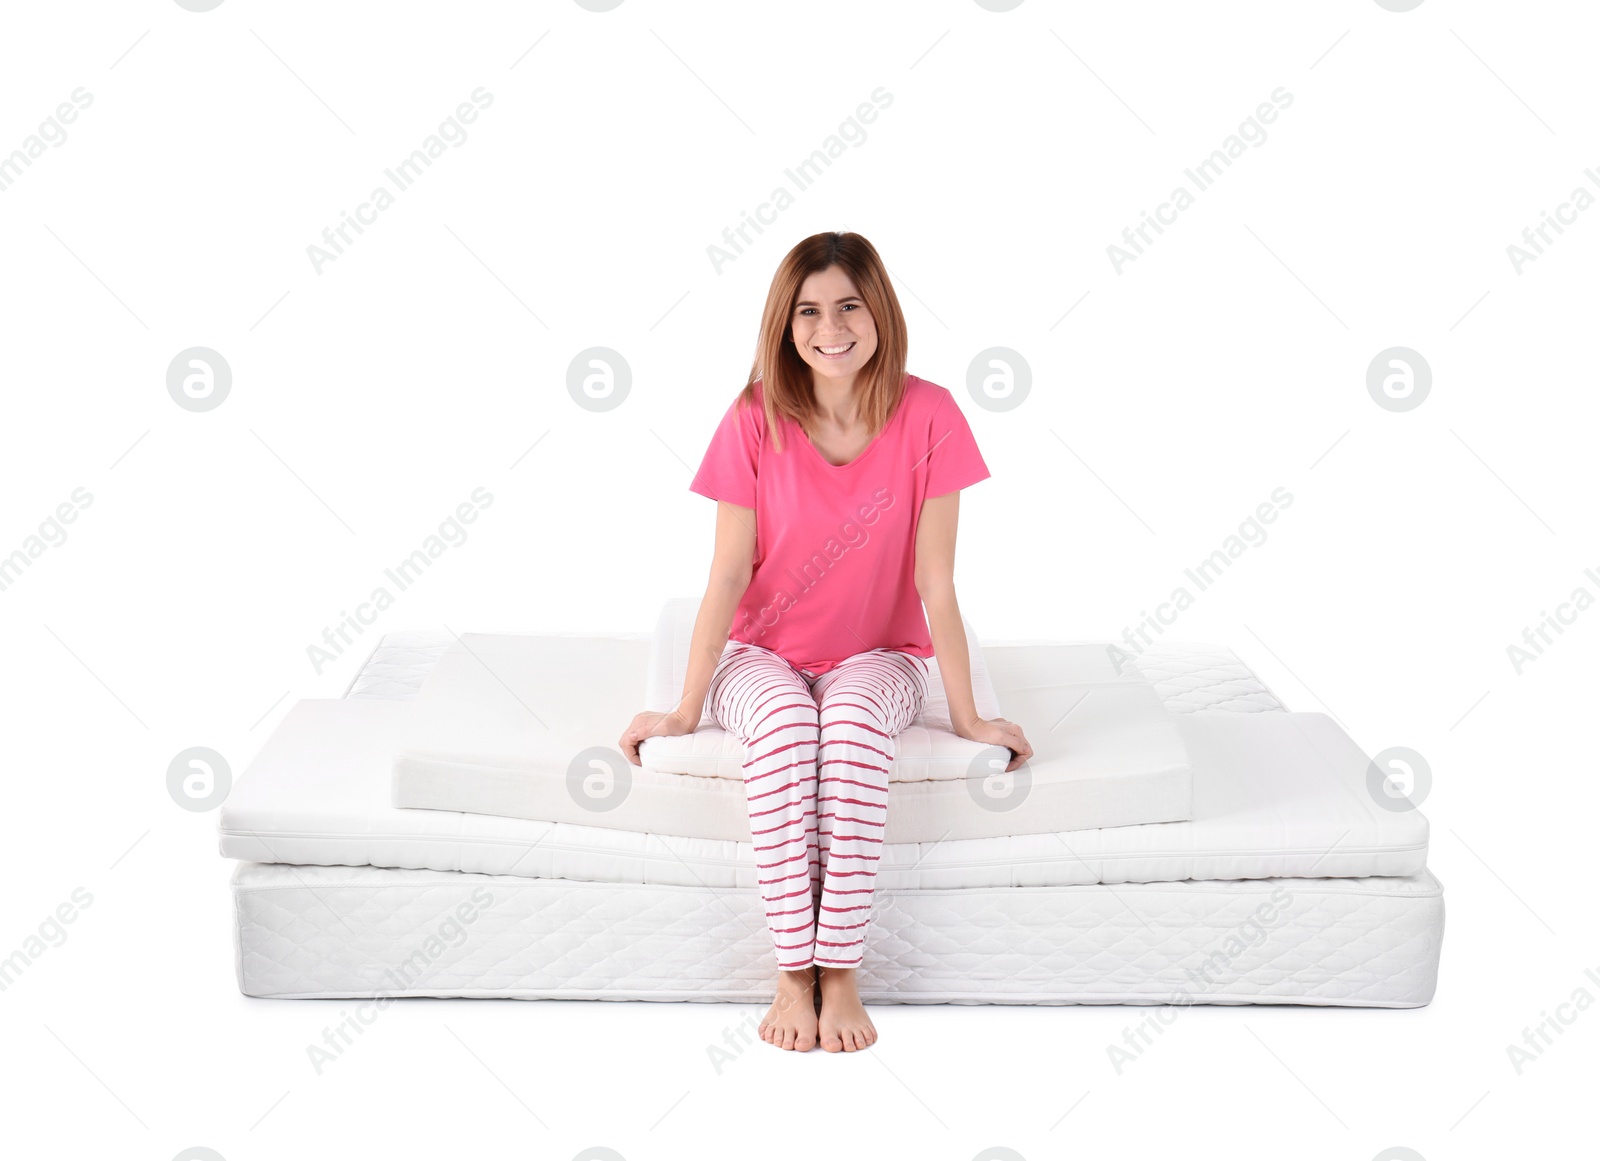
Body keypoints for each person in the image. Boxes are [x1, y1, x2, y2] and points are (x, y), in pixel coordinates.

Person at [618, 230, 1033, 1053]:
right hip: (760, 655)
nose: (830, 326)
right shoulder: (752, 419)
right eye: (808, 310)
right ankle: (790, 969)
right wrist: (683, 708)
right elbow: (728, 577)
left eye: (848, 304)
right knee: (783, 730)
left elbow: (936, 585)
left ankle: (838, 969)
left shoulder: (932, 415)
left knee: (844, 733)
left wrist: (973, 717)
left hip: (879, 656)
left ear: (879, 311)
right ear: (785, 324)